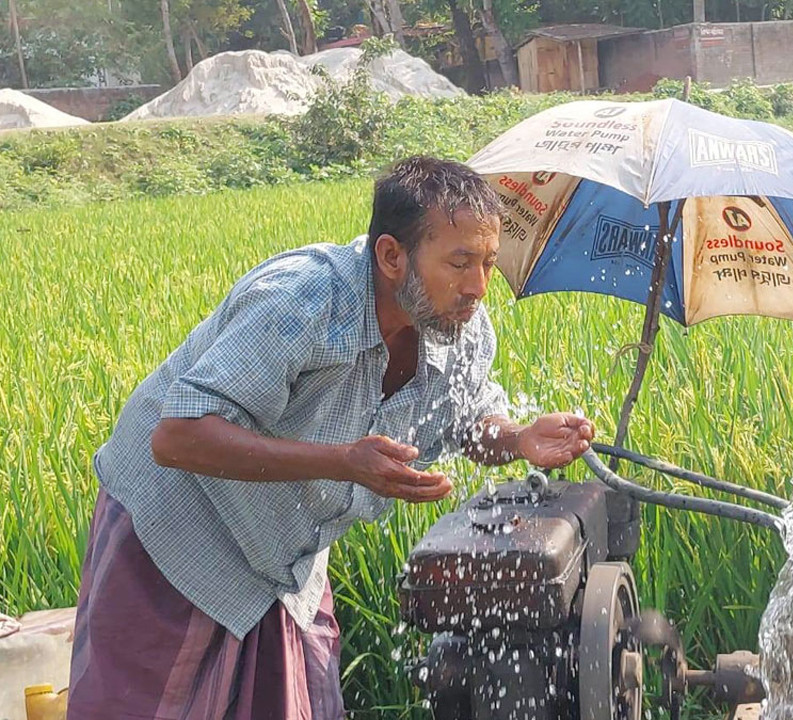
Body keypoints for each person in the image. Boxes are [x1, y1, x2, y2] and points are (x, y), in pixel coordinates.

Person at [65, 155, 597, 719]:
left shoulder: (458, 327)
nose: (478, 287)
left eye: (488, 263)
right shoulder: (303, 302)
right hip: (179, 533)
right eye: (459, 263)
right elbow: (178, 437)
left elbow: (467, 420)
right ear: (392, 256)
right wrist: (343, 462)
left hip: (284, 552)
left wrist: (518, 439)